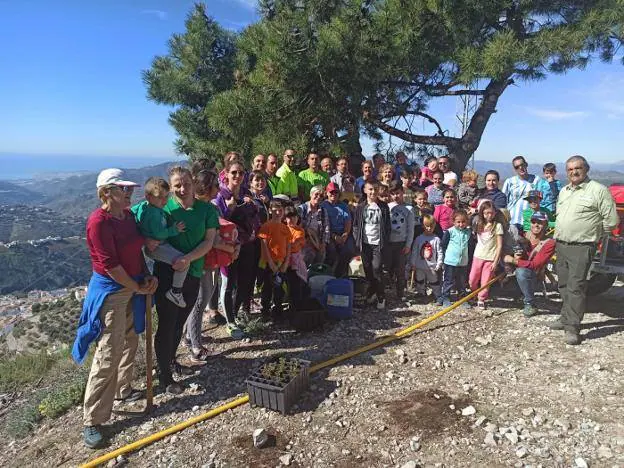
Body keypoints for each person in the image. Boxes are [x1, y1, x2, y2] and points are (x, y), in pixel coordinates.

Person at [74, 168, 157, 449]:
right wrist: (137, 287)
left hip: (132, 284)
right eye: (123, 189)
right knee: (109, 351)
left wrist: (145, 276)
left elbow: (135, 252)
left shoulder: (128, 216)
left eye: (129, 188)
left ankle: (123, 389)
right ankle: (92, 419)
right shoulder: (98, 222)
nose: (129, 192)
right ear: (106, 192)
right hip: (111, 292)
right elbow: (110, 266)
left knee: (131, 340)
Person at [152, 166, 218, 395]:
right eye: (177, 185)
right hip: (167, 274)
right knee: (167, 324)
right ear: (170, 188)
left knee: (179, 322)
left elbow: (209, 242)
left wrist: (187, 259)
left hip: (194, 272)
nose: (182, 188)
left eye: (186, 183)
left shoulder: (206, 210)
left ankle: (171, 362)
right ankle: (164, 376)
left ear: (193, 183)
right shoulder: (164, 209)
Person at [551, 155, 619, 345]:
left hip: (582, 246)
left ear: (586, 169)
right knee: (563, 284)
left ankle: (572, 327)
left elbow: (612, 220)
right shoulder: (565, 191)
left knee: (576, 286)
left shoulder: (598, 190)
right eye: (570, 169)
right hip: (562, 244)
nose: (574, 172)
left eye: (577, 168)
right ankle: (565, 317)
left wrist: (596, 235)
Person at [183, 169, 232, 364]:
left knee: (204, 296)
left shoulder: (204, 208)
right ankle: (195, 346)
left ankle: (190, 337)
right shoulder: (200, 209)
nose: (218, 189)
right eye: (215, 185)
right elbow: (210, 239)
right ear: (207, 187)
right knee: (200, 300)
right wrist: (229, 248)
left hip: (205, 260)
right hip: (199, 261)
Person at [214, 160, 261, 338]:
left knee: (244, 283)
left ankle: (234, 312)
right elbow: (218, 223)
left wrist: (253, 207)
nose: (237, 176)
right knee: (228, 284)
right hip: (228, 247)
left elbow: (255, 217)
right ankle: (230, 322)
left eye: (241, 173)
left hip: (247, 244)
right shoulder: (220, 195)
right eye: (234, 172)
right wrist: (230, 209)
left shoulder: (246, 193)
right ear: (226, 173)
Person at [131, 177, 188, 307]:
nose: (164, 200)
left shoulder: (143, 207)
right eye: (160, 197)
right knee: (183, 261)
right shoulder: (154, 214)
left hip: (156, 246)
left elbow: (132, 213)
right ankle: (176, 291)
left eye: (166, 196)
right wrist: (175, 229)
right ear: (148, 197)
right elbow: (159, 233)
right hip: (157, 247)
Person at [504, 211, 556, 318]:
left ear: (546, 225)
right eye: (533, 222)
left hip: (534, 275)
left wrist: (513, 260)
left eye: (540, 223)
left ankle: (530, 303)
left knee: (521, 272)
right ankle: (520, 295)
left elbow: (535, 265)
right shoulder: (522, 236)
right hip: (514, 273)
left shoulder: (549, 243)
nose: (536, 225)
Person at [353, 180, 391, 310]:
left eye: (375, 189)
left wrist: (385, 241)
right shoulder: (361, 206)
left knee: (377, 269)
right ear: (365, 190)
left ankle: (381, 296)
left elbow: (387, 226)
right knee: (368, 269)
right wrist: (357, 240)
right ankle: (372, 292)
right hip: (365, 244)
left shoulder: (383, 207)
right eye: (370, 189)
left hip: (378, 244)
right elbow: (356, 225)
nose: (373, 192)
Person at [258, 200, 291, 320]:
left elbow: (288, 246)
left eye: (280, 210)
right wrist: (270, 263)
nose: (278, 212)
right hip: (267, 263)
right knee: (267, 287)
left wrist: (286, 262)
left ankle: (278, 309)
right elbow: (264, 245)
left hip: (281, 262)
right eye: (275, 210)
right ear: (270, 210)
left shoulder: (285, 228)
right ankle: (265, 310)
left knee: (280, 288)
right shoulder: (266, 226)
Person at [469, 200, 503, 309]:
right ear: (482, 213)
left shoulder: (497, 226)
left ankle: (481, 299)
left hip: (490, 258)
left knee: (485, 281)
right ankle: (474, 293)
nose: (489, 215)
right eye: (486, 213)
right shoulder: (478, 223)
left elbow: (499, 245)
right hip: (478, 256)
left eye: (491, 213)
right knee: (472, 279)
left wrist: (496, 261)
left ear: (495, 213)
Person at [386, 180, 415, 300]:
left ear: (402, 192)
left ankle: (400, 293)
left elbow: (410, 229)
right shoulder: (387, 207)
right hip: (388, 243)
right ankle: (385, 292)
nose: (395, 196)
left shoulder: (409, 209)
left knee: (401, 270)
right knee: (387, 268)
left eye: (398, 193)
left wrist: (408, 245)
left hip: (401, 243)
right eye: (392, 194)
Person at [321, 182, 355, 277]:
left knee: (349, 250)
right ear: (327, 193)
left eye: (336, 192)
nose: (333, 194)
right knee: (331, 251)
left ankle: (339, 274)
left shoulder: (343, 205)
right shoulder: (323, 205)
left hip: (343, 233)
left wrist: (345, 235)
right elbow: (323, 225)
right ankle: (326, 274)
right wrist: (334, 236)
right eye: (331, 192)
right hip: (329, 234)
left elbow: (348, 222)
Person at [439, 209, 471, 307]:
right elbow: (443, 244)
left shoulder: (468, 232)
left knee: (461, 282)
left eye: (463, 222)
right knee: (448, 280)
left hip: (463, 262)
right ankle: (445, 297)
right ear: (453, 222)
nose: (461, 224)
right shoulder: (450, 232)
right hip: (450, 261)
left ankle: (462, 298)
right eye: (458, 222)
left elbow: (470, 246)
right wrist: (447, 256)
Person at [502, 155, 540, 232]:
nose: (520, 168)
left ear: (526, 164)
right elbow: (503, 200)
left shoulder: (537, 180)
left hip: (530, 221)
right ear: (514, 169)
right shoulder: (509, 182)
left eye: (522, 165)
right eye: (517, 167)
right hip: (513, 221)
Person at [410, 214, 443, 301]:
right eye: (427, 226)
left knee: (433, 281)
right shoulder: (419, 238)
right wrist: (413, 263)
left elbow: (440, 252)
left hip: (432, 265)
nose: (429, 229)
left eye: (431, 227)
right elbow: (414, 251)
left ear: (434, 227)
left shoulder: (436, 239)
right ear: (423, 226)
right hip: (419, 265)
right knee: (419, 280)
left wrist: (439, 264)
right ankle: (421, 292)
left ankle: (437, 294)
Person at [299, 185, 330, 265]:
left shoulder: (323, 211)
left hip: (317, 240)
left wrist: (323, 243)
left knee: (322, 255)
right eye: (316, 194)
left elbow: (326, 228)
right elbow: (298, 227)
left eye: (321, 196)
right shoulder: (302, 209)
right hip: (304, 240)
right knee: (309, 255)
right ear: (311, 194)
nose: (318, 197)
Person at [284, 206, 308, 308]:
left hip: (295, 261)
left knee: (296, 283)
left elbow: (295, 244)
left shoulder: (300, 231)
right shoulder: (282, 229)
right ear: (285, 219)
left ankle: (296, 306)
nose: (292, 219)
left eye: (294, 217)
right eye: (289, 217)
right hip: (284, 259)